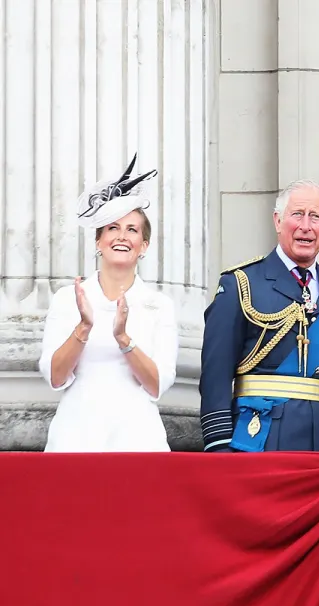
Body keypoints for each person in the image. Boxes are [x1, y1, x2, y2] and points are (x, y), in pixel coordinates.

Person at [199, 180, 319, 452]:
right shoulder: (241, 283)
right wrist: (219, 447)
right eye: (297, 214)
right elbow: (216, 374)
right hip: (260, 439)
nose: (305, 226)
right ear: (278, 221)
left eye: (315, 217)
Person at [39, 155, 178, 452]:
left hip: (138, 441)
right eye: (113, 228)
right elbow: (55, 377)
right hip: (75, 440)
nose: (122, 236)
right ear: (98, 241)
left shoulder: (159, 305)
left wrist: (123, 339)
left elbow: (156, 385)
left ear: (144, 246)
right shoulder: (68, 299)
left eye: (132, 229)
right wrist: (83, 328)